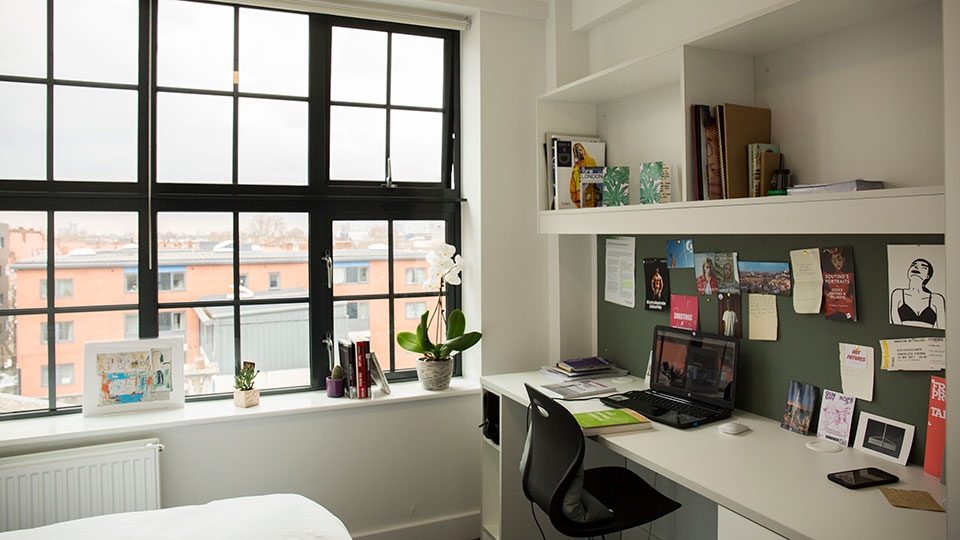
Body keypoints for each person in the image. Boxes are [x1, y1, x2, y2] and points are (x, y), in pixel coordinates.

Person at [890, 258, 945, 328]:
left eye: (923, 267)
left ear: (927, 276)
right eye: (914, 265)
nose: (916, 267)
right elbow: (895, 324)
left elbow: (941, 326)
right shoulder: (898, 294)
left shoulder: (937, 299)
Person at [822, 247, 856, 321]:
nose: (837, 263)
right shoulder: (826, 275)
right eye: (834, 261)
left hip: (847, 309)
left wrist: (849, 299)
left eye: (839, 259)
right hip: (831, 309)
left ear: (843, 259)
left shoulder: (850, 276)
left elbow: (851, 297)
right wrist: (828, 295)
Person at [568, 142, 596, 208]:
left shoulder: (592, 161)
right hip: (578, 196)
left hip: (590, 193)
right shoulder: (576, 167)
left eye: (580, 150)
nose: (580, 152)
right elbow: (573, 182)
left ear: (583, 149)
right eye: (577, 152)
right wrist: (573, 196)